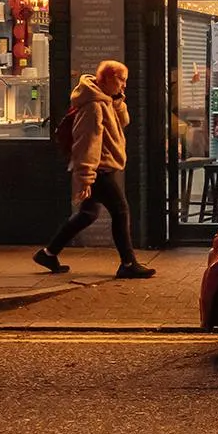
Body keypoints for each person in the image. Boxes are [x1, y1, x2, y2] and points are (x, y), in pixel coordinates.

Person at [37, 60, 152, 278]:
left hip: (102, 167)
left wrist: (117, 101)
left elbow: (124, 121)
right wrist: (86, 178)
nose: (124, 86)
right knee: (120, 211)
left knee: (87, 214)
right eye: (121, 80)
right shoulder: (93, 106)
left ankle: (48, 253)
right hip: (99, 169)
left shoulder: (106, 100)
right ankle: (128, 264)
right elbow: (87, 143)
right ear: (108, 78)